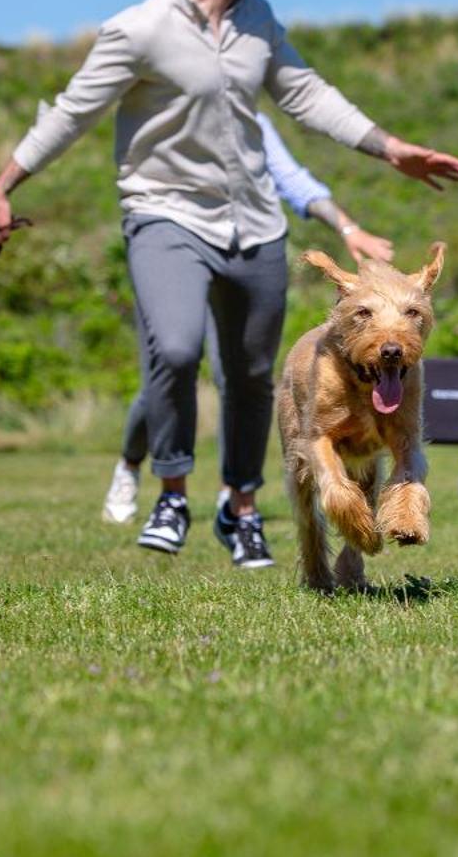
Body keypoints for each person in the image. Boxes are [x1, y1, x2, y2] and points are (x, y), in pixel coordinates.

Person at [0, 0, 458, 569]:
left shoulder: (256, 19)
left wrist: (389, 148)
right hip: (165, 212)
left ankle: (240, 506)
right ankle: (172, 490)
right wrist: (3, 187)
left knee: (253, 374)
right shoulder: (139, 28)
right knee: (176, 349)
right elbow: (72, 112)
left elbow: (305, 92)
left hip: (253, 221)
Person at [101, 112, 395, 544]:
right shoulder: (161, 111)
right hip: (175, 250)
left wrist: (347, 227)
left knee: (240, 377)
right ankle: (133, 467)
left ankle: (233, 499)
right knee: (172, 361)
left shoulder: (245, 116)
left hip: (241, 254)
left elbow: (290, 178)